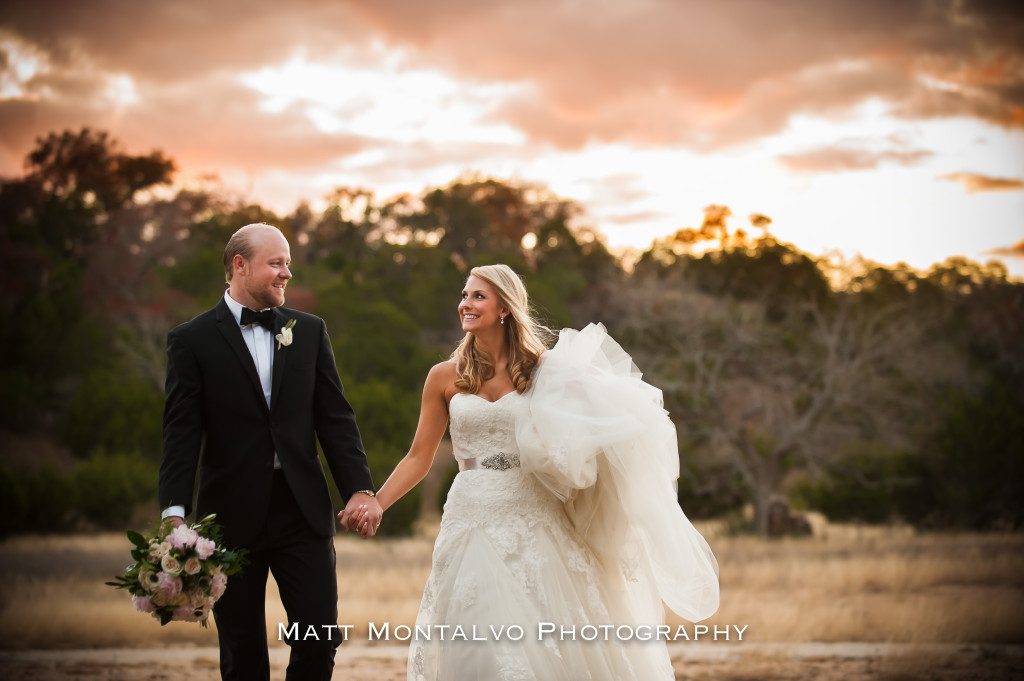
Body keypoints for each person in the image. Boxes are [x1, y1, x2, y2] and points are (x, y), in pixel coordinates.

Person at [358, 264, 720, 681]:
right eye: (464, 295)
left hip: (534, 512)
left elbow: (592, 430)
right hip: (470, 515)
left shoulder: (546, 371)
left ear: (505, 308)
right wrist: (377, 502)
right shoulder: (444, 376)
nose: (465, 304)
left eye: (478, 296)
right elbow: (417, 458)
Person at [158, 222, 382, 681]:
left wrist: (359, 489)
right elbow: (181, 432)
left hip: (302, 511)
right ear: (240, 265)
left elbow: (335, 420)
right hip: (228, 517)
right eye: (276, 263)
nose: (286, 273)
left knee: (318, 639)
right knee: (242, 653)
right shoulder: (192, 340)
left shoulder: (310, 331)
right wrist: (175, 513)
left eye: (288, 264)